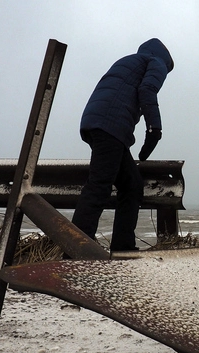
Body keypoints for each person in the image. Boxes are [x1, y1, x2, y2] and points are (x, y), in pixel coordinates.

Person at [71, 38, 174, 252]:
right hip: (111, 125)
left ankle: (123, 247)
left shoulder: (130, 61)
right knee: (99, 186)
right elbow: (147, 90)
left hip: (97, 123)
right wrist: (154, 129)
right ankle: (77, 250)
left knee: (131, 184)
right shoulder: (157, 63)